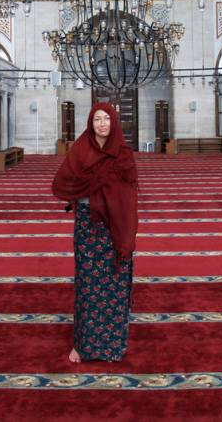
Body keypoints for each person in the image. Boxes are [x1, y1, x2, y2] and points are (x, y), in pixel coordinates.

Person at [52, 102, 138, 363]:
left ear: (114, 122)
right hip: (88, 227)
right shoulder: (81, 149)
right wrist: (85, 190)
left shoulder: (123, 154)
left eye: (106, 119)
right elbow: (64, 182)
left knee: (113, 286)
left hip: (114, 228)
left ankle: (112, 346)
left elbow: (128, 194)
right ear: (91, 123)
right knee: (88, 286)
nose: (102, 124)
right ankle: (83, 346)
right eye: (97, 119)